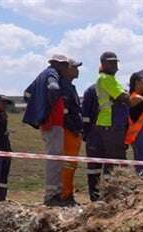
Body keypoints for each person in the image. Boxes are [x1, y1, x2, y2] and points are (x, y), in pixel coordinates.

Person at [83, 51, 130, 201]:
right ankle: (106, 197)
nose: (115, 65)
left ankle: (102, 197)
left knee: (107, 164)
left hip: (107, 126)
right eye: (111, 62)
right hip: (108, 125)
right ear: (102, 64)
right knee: (113, 163)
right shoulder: (106, 80)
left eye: (116, 62)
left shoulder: (111, 81)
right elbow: (125, 99)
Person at [22, 54, 69, 206]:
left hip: (48, 123)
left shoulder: (41, 75)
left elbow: (27, 94)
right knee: (55, 159)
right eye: (65, 65)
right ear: (58, 64)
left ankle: (55, 193)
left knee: (55, 157)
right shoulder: (52, 74)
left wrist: (39, 107)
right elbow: (54, 88)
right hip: (53, 122)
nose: (67, 68)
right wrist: (48, 108)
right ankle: (51, 196)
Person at [60, 57, 84, 205]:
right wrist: (73, 128)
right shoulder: (64, 86)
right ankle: (65, 194)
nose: (77, 70)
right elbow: (65, 112)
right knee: (68, 164)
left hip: (74, 131)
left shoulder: (70, 86)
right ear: (67, 69)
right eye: (74, 67)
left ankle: (68, 193)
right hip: (68, 131)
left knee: (72, 164)